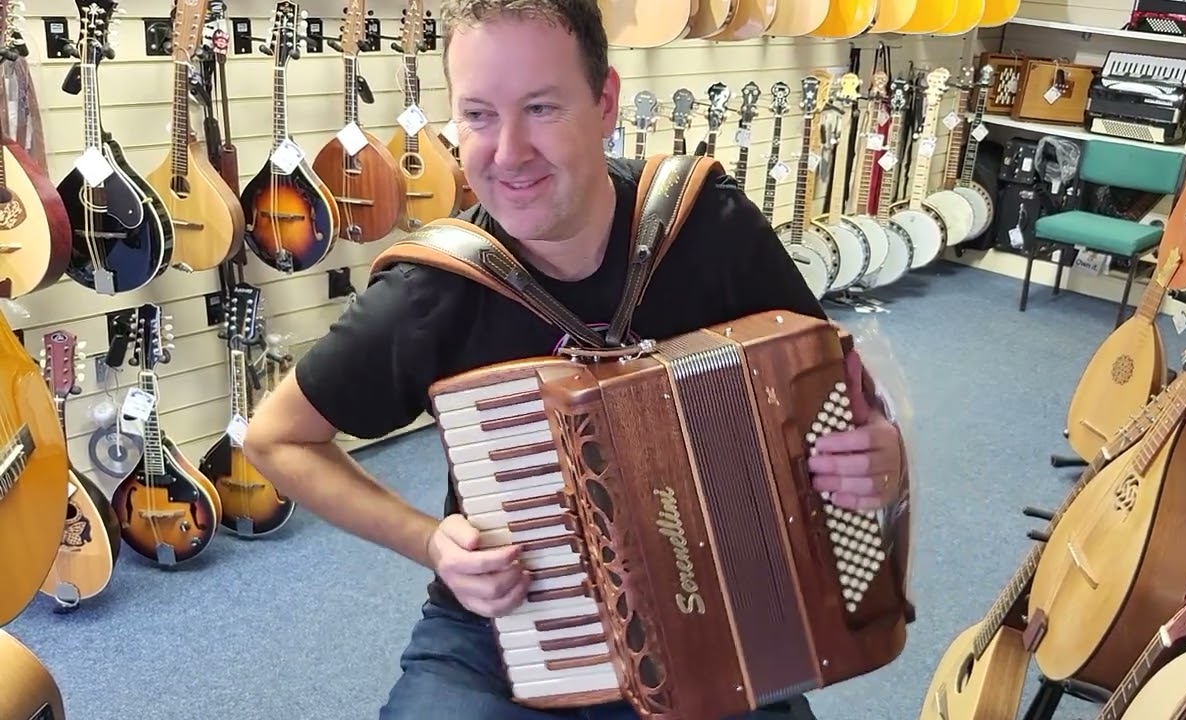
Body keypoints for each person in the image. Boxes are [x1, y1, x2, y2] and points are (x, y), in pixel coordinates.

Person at [242, 1, 908, 718]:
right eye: (478, 115)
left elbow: (836, 394)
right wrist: (432, 543)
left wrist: (880, 457)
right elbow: (277, 439)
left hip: (726, 608)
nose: (508, 151)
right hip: (505, 625)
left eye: (541, 107)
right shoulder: (435, 288)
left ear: (604, 103)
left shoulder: (708, 225)